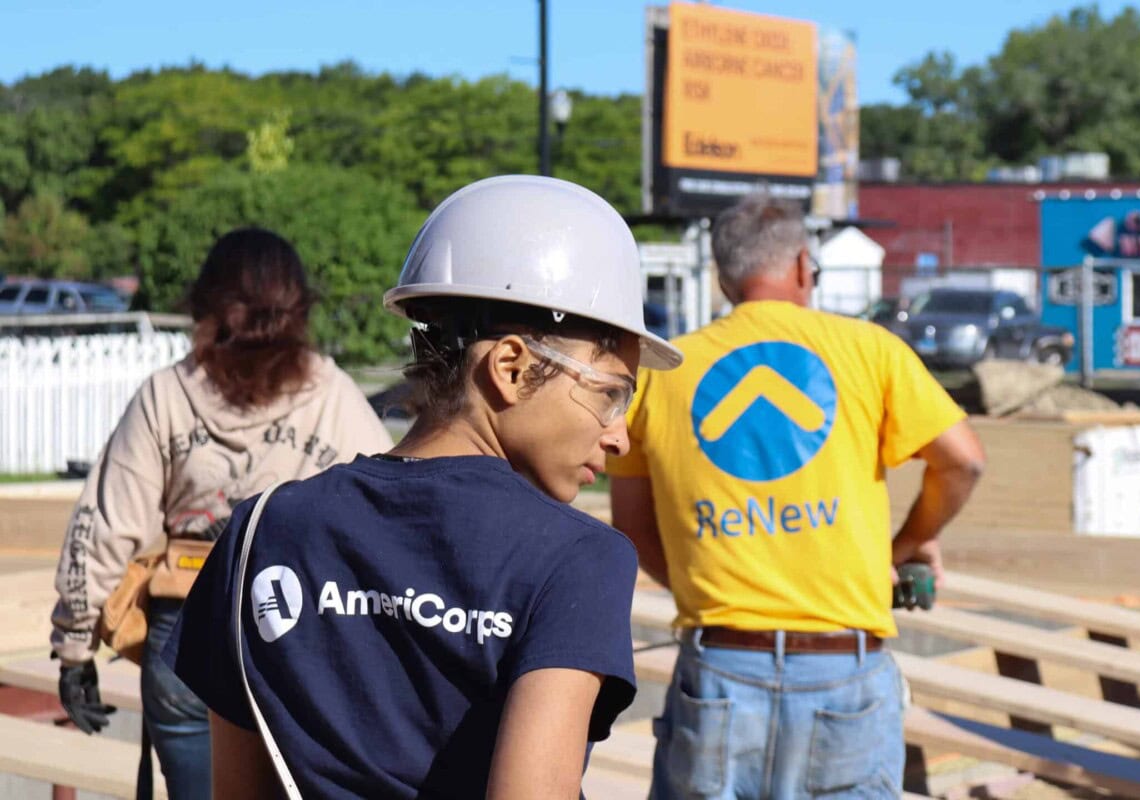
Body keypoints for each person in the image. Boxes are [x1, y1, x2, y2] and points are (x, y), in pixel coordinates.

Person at [162, 175, 684, 799]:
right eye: (610, 394)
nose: (619, 436)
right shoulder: (577, 558)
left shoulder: (262, 530)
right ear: (512, 368)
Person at [607, 195, 986, 799]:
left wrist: (708, 587)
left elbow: (630, 528)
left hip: (719, 668)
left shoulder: (663, 371)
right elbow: (963, 461)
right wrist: (906, 547)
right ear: (806, 266)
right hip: (845, 671)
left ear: (723, 274)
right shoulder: (871, 351)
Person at [50, 227, 394, 800]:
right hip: (298, 634)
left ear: (207, 301)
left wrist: (75, 649)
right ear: (298, 304)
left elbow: (105, 527)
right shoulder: (332, 395)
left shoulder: (167, 395)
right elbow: (388, 516)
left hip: (184, 634)